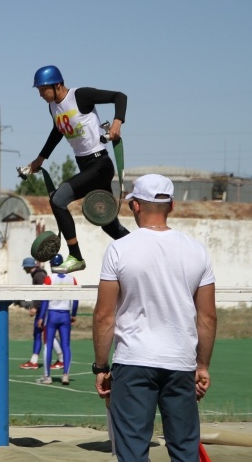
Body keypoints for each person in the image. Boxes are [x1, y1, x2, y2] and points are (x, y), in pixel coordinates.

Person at [92, 174, 217, 462]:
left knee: (133, 454)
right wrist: (202, 365)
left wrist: (100, 366)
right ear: (171, 206)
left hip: (133, 363)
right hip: (180, 364)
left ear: (135, 206)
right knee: (186, 452)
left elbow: (104, 316)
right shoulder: (197, 250)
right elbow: (208, 316)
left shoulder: (119, 249)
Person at [25, 65, 130, 274]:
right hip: (86, 166)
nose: (40, 95)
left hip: (100, 164)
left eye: (42, 90)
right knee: (107, 223)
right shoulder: (53, 107)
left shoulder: (80, 96)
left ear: (57, 85)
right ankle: (141, 247)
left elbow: (120, 96)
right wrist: (40, 159)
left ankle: (75, 256)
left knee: (58, 200)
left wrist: (117, 123)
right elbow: (57, 131)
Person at [35, 254, 78, 386]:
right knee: (66, 345)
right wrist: (73, 313)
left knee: (48, 345)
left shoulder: (49, 278)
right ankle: (65, 375)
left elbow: (45, 299)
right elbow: (76, 298)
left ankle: (47, 376)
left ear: (52, 265)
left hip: (52, 314)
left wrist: (41, 316)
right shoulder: (72, 278)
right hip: (65, 314)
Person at [19, 257, 64, 370]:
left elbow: (42, 293)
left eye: (25, 267)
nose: (24, 269)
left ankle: (61, 358)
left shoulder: (38, 275)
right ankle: (34, 360)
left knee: (47, 335)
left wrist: (35, 307)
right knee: (39, 334)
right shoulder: (39, 274)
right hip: (44, 309)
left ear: (29, 267)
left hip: (43, 310)